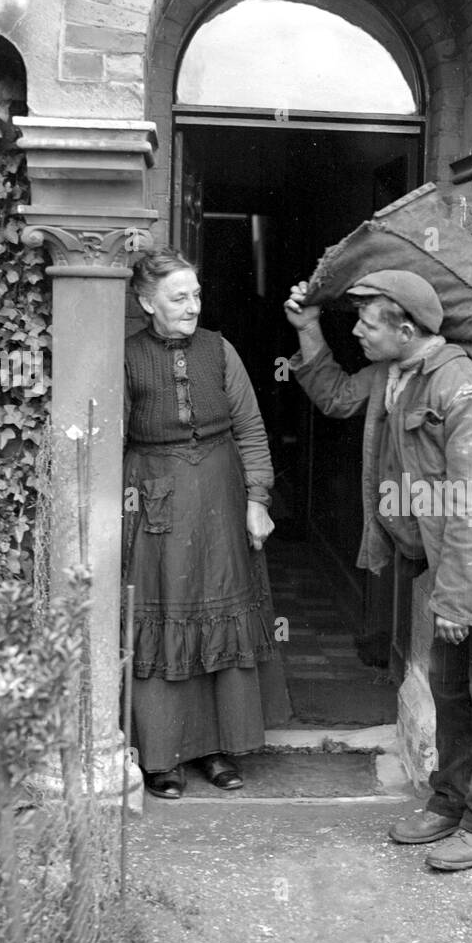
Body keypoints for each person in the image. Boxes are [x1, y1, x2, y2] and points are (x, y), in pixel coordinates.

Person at [284, 270, 472, 870]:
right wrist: (307, 330)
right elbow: (334, 396)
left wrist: (456, 604)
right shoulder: (397, 375)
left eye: (366, 322)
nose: (355, 331)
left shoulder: (462, 392)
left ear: (405, 329)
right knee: (452, 691)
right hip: (455, 565)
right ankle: (451, 801)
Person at [123, 248, 289, 799]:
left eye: (196, 294)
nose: (193, 305)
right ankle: (163, 757)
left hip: (221, 493)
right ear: (148, 302)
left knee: (217, 608)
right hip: (155, 499)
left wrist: (257, 499)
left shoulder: (220, 350)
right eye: (179, 297)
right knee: (168, 613)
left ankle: (216, 748)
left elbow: (251, 428)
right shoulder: (126, 357)